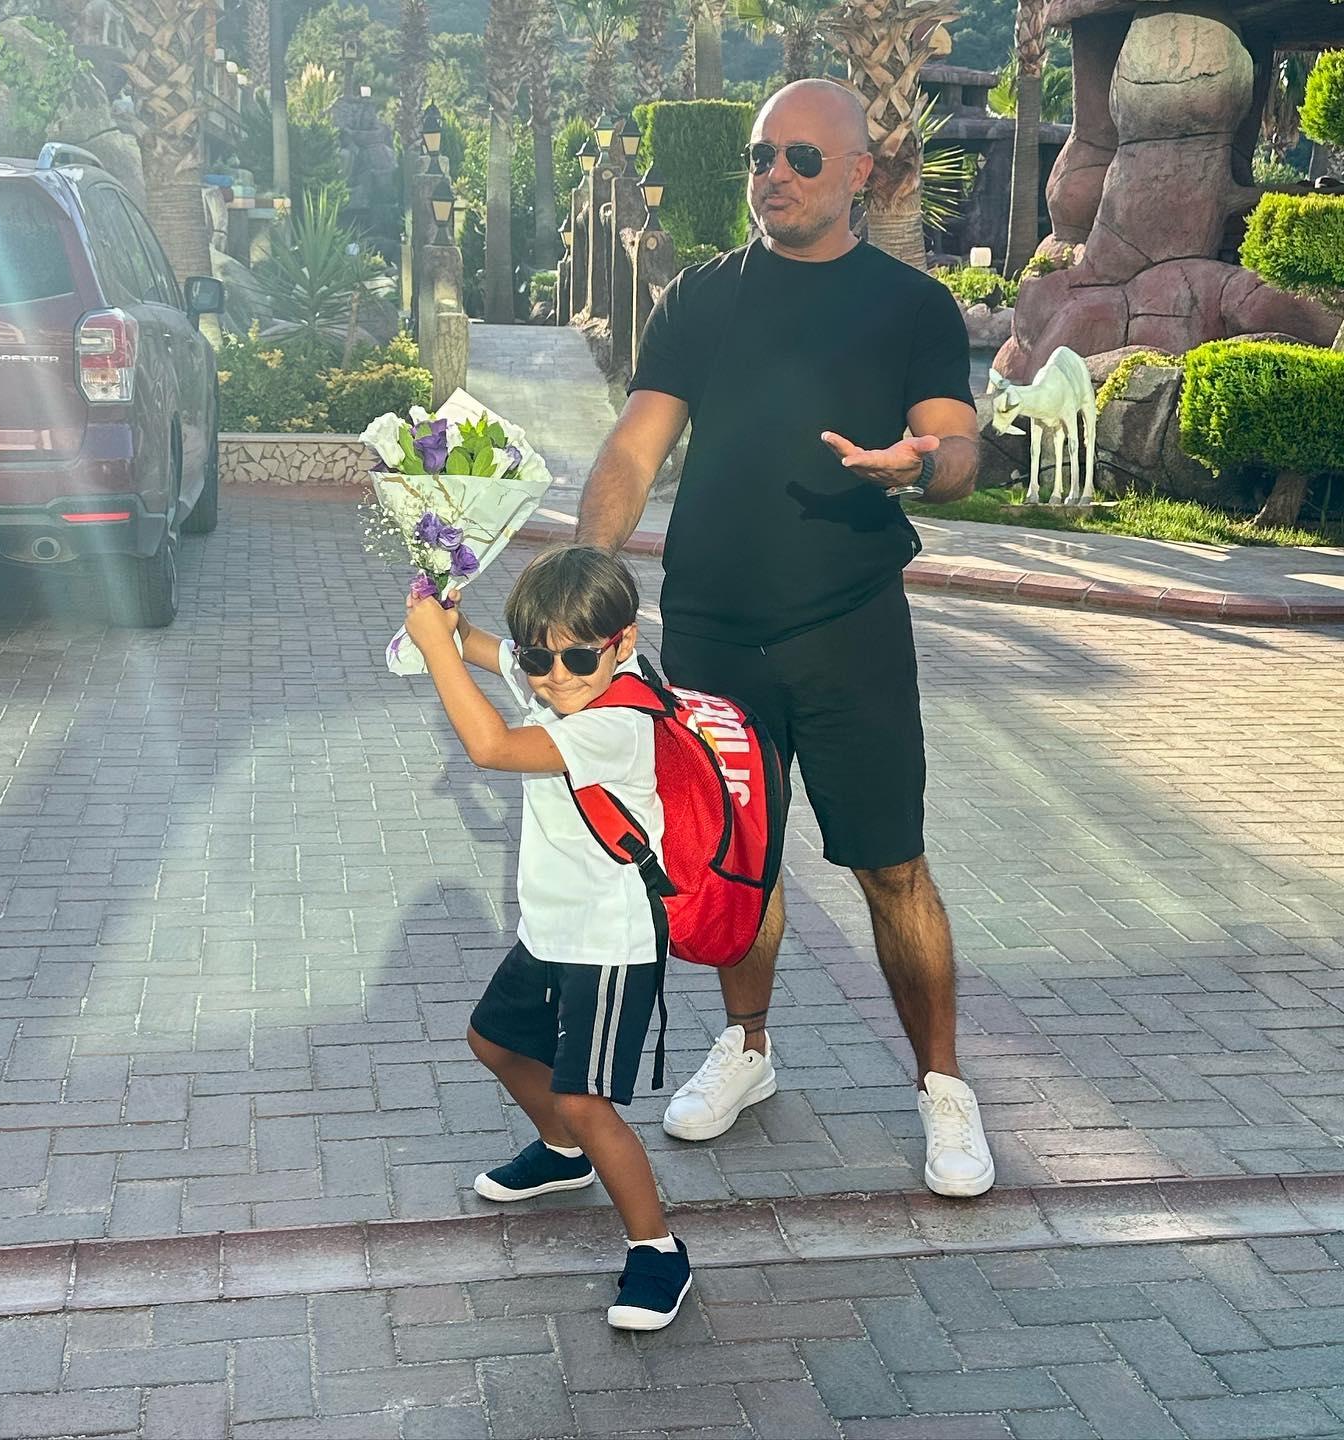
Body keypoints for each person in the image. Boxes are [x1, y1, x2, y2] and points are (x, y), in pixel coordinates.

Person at [574, 78, 995, 1198]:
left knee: (890, 865)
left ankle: (943, 1087)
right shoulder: (702, 298)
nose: (775, 175)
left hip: (850, 629)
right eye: (762, 155)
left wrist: (924, 464)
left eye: (804, 158)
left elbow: (957, 446)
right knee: (737, 864)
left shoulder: (910, 307)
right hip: (713, 632)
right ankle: (748, 1049)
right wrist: (588, 570)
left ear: (861, 173)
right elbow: (636, 446)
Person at [403, 545, 693, 1329]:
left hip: (611, 943)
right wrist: (448, 618)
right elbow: (484, 648)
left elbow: (492, 748)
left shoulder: (619, 722)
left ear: (623, 643)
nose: (555, 677)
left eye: (577, 657)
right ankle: (563, 1155)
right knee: (493, 1041)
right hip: (552, 929)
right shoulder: (559, 674)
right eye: (540, 658)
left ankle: (658, 1251)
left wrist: (435, 651)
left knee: (585, 1099)